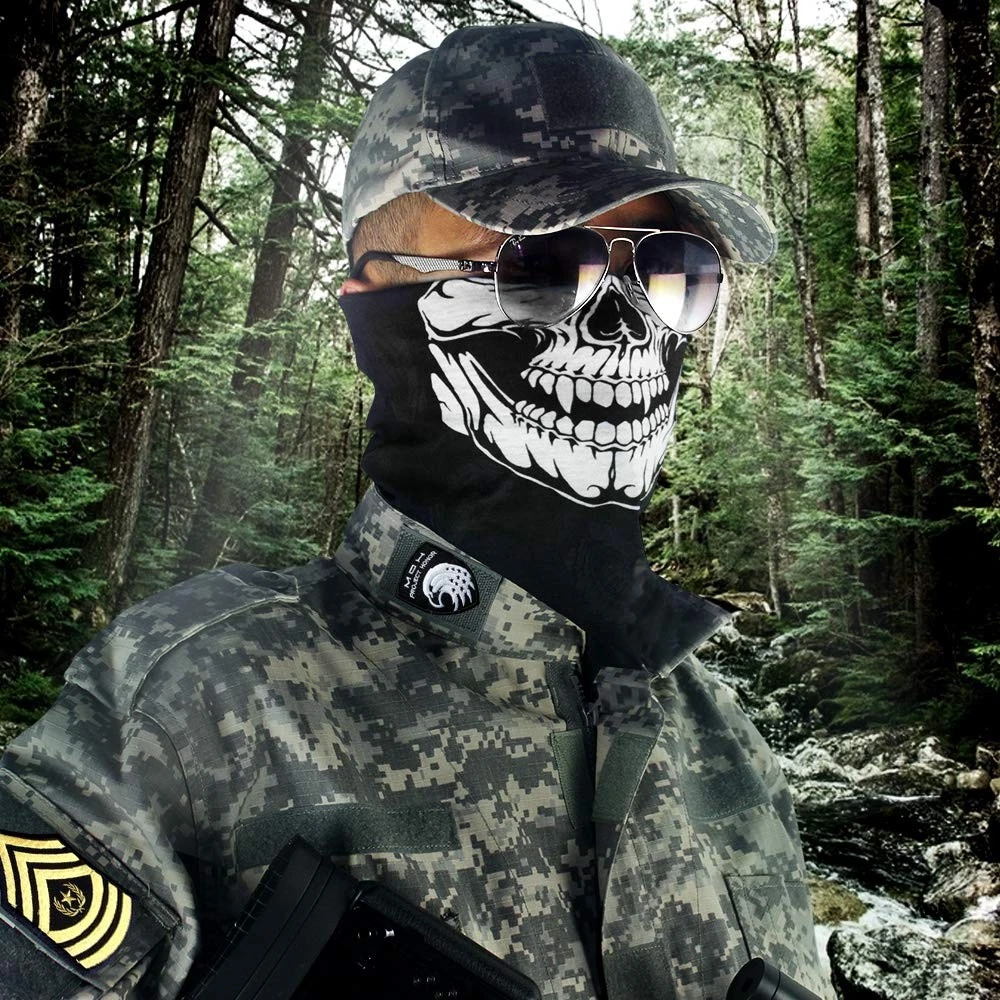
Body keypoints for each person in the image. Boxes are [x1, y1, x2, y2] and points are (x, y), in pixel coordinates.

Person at [0, 21, 826, 1000]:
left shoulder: (724, 738)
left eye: (671, 269)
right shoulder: (192, 709)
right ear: (370, 302)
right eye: (542, 264)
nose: (628, 326)